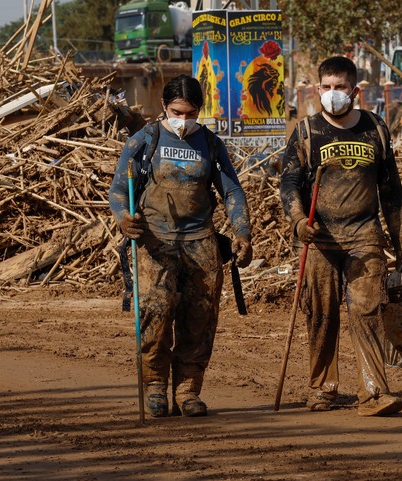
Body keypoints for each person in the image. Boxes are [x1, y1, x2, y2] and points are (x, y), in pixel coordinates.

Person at [109, 74, 253, 418]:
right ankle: (155, 386)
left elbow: (231, 191)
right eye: (177, 111)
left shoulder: (211, 144)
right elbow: (118, 189)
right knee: (155, 317)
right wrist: (123, 218)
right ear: (163, 106)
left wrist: (242, 231)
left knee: (199, 320)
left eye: (191, 113)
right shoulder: (144, 140)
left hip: (200, 243)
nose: (184, 120)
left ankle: (188, 390)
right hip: (154, 244)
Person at [279, 56, 402, 417]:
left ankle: (373, 392)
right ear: (317, 89)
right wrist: (297, 222)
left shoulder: (375, 129)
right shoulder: (306, 132)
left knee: (367, 312)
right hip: (319, 238)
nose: (332, 94)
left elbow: (391, 190)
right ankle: (322, 388)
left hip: (364, 236)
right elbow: (289, 182)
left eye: (340, 88)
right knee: (321, 316)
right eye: (326, 88)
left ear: (355, 90)